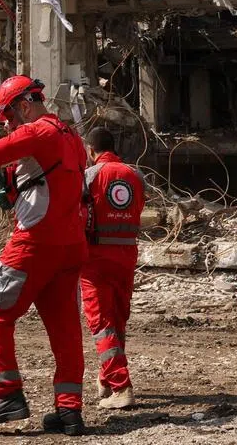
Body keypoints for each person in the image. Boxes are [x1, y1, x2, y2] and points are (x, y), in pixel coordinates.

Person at [0, 75, 89, 436]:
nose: (8, 125)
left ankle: (8, 396)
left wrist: (2, 171)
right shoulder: (73, 138)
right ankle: (69, 411)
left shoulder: (37, 132)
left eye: (8, 117)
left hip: (34, 243)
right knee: (65, 328)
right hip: (71, 246)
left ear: (25, 105)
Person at [80, 126, 145, 410]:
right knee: (117, 320)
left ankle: (121, 386)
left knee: (101, 324)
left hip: (96, 257)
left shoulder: (90, 176)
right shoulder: (136, 175)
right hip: (127, 253)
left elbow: (79, 214)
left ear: (91, 150)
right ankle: (107, 378)